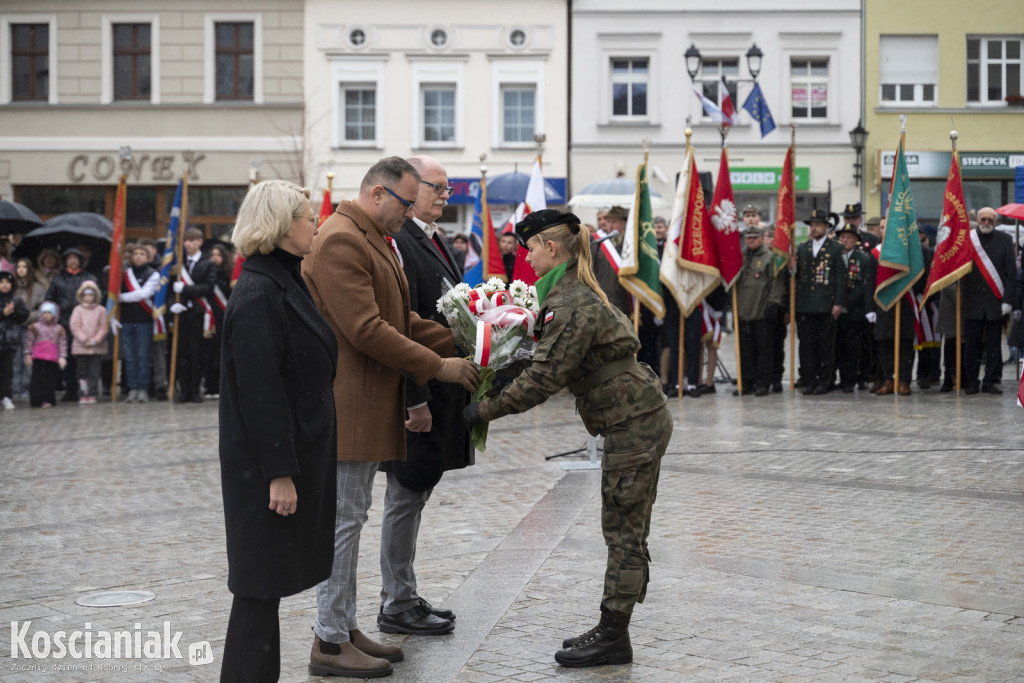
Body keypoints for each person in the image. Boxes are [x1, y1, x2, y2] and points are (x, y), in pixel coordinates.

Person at [464, 209, 671, 669]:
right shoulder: (567, 293)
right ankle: (612, 627)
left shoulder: (572, 301)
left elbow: (544, 378)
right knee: (622, 523)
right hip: (631, 416)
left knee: (624, 527)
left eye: (531, 249)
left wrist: (483, 409)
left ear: (552, 248)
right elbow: (545, 359)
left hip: (634, 421)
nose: (527, 258)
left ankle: (614, 635)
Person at [303, 156, 479, 678]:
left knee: (352, 519)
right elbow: (367, 328)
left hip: (365, 405)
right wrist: (439, 367)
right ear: (377, 193)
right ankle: (329, 642)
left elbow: (401, 319)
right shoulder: (341, 239)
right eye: (405, 201)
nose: (410, 211)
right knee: (343, 524)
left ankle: (343, 626)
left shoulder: (372, 236)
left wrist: (472, 337)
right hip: (349, 405)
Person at [218, 180, 339, 682]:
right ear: (282, 226)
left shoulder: (284, 278)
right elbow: (260, 393)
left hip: (292, 456)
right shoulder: (258, 293)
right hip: (263, 470)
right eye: (309, 217)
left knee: (264, 589)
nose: (316, 225)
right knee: (257, 589)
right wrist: (279, 473)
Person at [379, 155, 468, 637]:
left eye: (447, 189)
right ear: (411, 189)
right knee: (405, 495)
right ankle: (397, 603)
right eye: (437, 187)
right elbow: (402, 326)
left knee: (415, 496)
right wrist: (414, 398)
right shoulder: (402, 241)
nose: (444, 196)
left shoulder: (432, 238)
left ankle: (404, 593)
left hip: (440, 385)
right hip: (420, 388)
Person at [789, 209, 847, 395]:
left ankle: (824, 380)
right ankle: (809, 379)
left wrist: (839, 303)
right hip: (805, 305)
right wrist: (792, 268)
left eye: (818, 225)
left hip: (826, 305)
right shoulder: (803, 248)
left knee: (825, 345)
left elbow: (842, 278)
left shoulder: (836, 248)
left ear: (826, 227)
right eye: (812, 225)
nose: (814, 228)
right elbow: (798, 276)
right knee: (806, 346)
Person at [961, 207, 1015, 394]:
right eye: (982, 219)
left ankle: (990, 381)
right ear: (977, 220)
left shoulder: (1005, 240)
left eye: (990, 220)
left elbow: (1011, 274)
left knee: (994, 346)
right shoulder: (967, 239)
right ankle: (971, 381)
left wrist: (1008, 301)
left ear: (996, 221)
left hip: (995, 301)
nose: (986, 223)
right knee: (971, 346)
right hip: (972, 301)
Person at [733, 226, 785, 396]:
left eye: (755, 237)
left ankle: (763, 383)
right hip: (743, 310)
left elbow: (777, 282)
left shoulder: (769, 257)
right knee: (745, 350)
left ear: (762, 239)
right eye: (749, 238)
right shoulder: (739, 256)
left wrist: (773, 303)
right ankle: (746, 382)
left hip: (762, 310)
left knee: (764, 350)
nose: (751, 240)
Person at [44, 247, 98, 402]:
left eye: (75, 258)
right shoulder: (58, 279)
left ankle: (85, 389)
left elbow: (97, 298)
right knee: (66, 357)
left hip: (85, 324)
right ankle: (70, 388)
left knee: (83, 359)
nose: (72, 261)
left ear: (80, 260)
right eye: (69, 258)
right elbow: (50, 299)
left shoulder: (89, 278)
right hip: (64, 322)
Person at [170, 228, 216, 402]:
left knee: (197, 353)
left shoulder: (208, 263)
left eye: (191, 240)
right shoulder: (179, 263)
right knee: (182, 354)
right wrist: (172, 304)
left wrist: (185, 289)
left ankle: (196, 390)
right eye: (185, 241)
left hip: (198, 314)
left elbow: (208, 288)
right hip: (182, 313)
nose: (188, 244)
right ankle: (184, 390)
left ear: (200, 242)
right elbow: (169, 289)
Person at [118, 244, 160, 403]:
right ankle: (132, 388)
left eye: (142, 254)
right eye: (136, 253)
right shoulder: (125, 274)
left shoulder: (153, 274)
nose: (138, 256)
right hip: (126, 320)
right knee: (129, 357)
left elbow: (144, 294)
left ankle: (143, 388)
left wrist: (122, 297)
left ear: (148, 257)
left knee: (143, 357)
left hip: (144, 321)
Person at [834, 224, 872, 392]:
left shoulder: (863, 258)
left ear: (856, 240)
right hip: (838, 311)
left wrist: (846, 302)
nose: (845, 240)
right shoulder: (836, 256)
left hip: (856, 311)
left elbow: (863, 285)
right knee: (840, 346)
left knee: (856, 346)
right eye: (842, 237)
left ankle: (859, 377)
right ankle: (844, 378)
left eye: (849, 237)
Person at [68, 281, 107, 404]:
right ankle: (83, 393)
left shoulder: (101, 310)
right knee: (82, 372)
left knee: (94, 372)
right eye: (86, 295)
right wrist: (84, 339)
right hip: (81, 347)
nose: (88, 297)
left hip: (96, 347)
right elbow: (74, 326)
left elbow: (104, 327)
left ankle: (93, 392)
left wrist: (96, 339)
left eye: (91, 295)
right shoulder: (78, 310)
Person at [23, 301, 66, 408]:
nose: (46, 315)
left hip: (52, 359)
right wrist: (27, 354)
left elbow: (62, 343)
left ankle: (49, 399)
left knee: (50, 380)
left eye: (49, 313)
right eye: (44, 313)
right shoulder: (35, 327)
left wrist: (62, 357)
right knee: (38, 380)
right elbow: (29, 341)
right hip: (38, 357)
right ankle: (37, 400)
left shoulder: (59, 329)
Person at [590, 205, 631, 315]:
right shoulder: (598, 243)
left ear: (623, 223)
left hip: (625, 300)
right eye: (608, 221)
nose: (610, 225)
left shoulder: (630, 244)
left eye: (614, 222)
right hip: (603, 300)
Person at [204, 243, 233, 398]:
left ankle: (222, 385)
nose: (214, 258)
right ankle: (210, 385)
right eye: (212, 255)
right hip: (210, 316)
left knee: (222, 353)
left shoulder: (229, 273)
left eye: (218, 255)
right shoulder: (207, 273)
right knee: (210, 352)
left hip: (225, 316)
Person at [12, 258, 44, 399]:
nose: (21, 269)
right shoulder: (11, 287)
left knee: (28, 359)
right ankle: (15, 389)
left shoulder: (38, 288)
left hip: (30, 328)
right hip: (13, 328)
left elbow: (42, 309)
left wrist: (27, 317)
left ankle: (27, 388)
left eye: (24, 267)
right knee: (15, 360)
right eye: (19, 267)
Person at [0, 271, 29, 409]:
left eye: (7, 282)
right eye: (1, 282)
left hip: (10, 341)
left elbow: (24, 315)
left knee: (8, 370)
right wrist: (3, 313)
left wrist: (13, 312)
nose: (5, 285)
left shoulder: (16, 300)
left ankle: (6, 396)